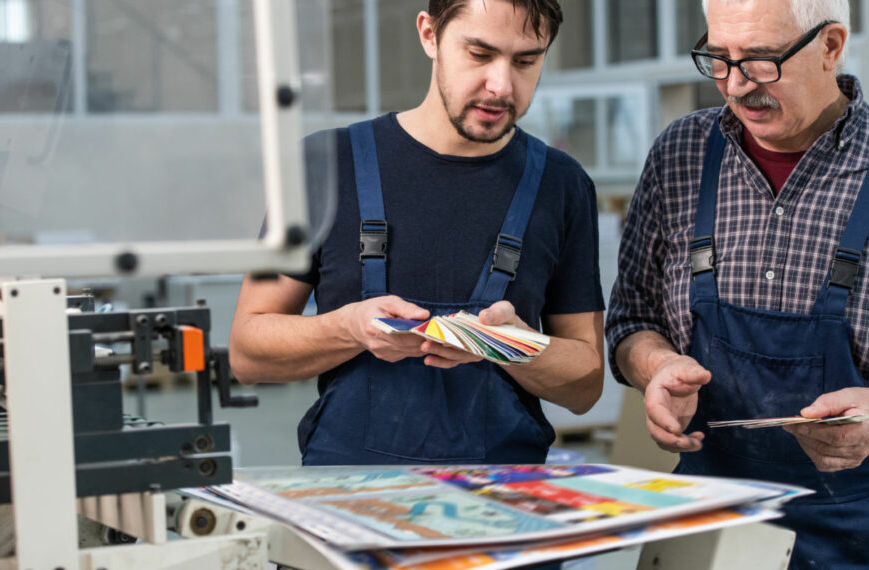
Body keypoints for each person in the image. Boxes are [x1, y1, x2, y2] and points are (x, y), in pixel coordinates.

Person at [605, 0, 869, 567]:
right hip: (709, 518)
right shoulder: (681, 155)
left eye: (763, 60)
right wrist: (655, 368)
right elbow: (631, 322)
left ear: (831, 46)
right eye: (719, 58)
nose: (738, 84)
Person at [229, 0, 604, 467]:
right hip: (347, 501)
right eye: (480, 54)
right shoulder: (325, 164)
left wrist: (510, 345)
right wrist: (347, 328)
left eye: (526, 61)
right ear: (429, 34)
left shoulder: (561, 185)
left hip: (503, 502)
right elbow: (247, 351)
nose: (502, 85)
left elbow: (586, 383)